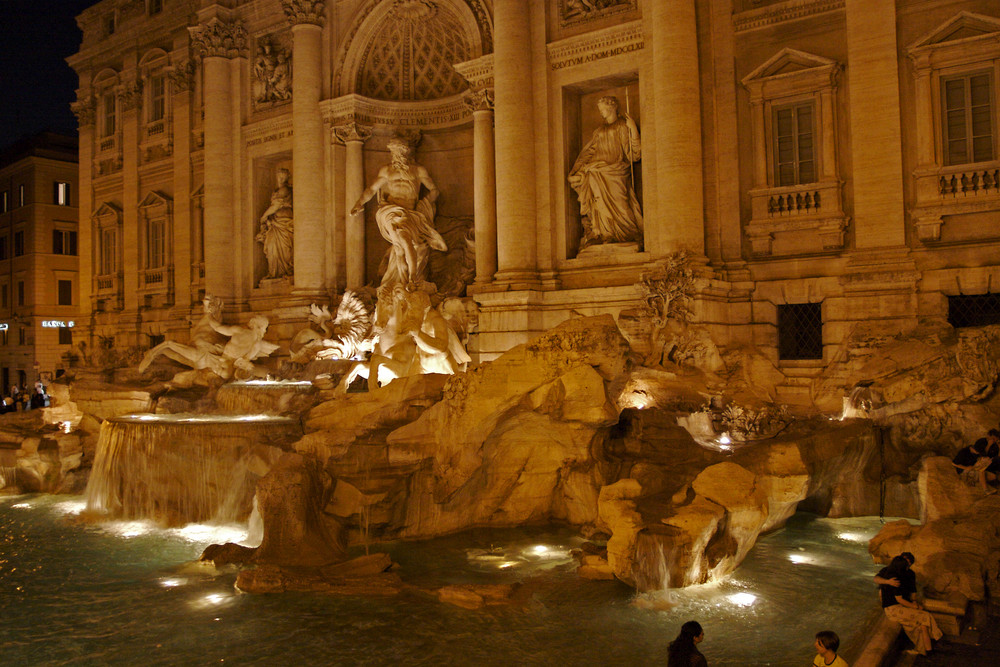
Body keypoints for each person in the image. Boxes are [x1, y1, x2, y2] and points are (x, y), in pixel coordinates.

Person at [350, 137, 447, 289]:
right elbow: (372, 190)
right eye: (393, 151)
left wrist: (425, 204)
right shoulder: (387, 170)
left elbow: (434, 190)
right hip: (390, 212)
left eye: (399, 151)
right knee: (404, 239)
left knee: (400, 248)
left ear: (406, 152)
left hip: (410, 214)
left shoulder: (418, 170)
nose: (396, 155)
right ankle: (412, 276)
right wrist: (359, 203)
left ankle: (406, 279)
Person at [568, 95, 643, 249]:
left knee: (621, 203)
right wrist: (577, 170)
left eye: (603, 108)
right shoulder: (599, 131)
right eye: (600, 109)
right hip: (596, 170)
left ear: (612, 107)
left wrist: (634, 130)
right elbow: (588, 152)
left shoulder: (622, 125)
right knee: (597, 201)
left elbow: (632, 154)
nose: (601, 112)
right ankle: (604, 233)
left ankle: (628, 233)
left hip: (617, 170)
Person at [874, 553, 942, 656]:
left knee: (922, 625)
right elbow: (877, 580)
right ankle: (936, 638)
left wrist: (914, 602)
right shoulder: (893, 576)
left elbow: (913, 591)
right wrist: (887, 582)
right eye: (905, 562)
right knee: (925, 616)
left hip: (904, 605)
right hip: (894, 608)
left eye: (908, 563)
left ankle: (927, 650)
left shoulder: (908, 574)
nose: (907, 564)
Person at [256, 167, 294, 280]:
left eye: (283, 176)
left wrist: (264, 216)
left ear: (287, 178)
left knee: (285, 248)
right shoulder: (276, 191)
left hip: (284, 220)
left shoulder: (285, 190)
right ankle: (274, 272)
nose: (281, 178)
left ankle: (286, 271)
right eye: (279, 176)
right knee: (272, 246)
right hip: (275, 222)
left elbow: (276, 206)